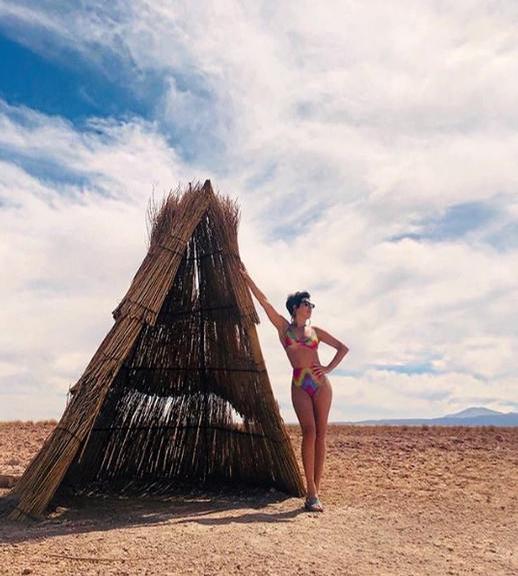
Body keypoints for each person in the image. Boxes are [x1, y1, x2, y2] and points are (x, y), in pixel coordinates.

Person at [238, 262, 349, 512]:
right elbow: (265, 303)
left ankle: (314, 493)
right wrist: (247, 278)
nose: (310, 308)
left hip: (321, 384)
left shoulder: (316, 331)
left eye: (312, 305)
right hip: (300, 382)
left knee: (321, 434)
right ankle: (310, 490)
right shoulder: (284, 329)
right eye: (307, 304)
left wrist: (328, 368)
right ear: (296, 308)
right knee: (308, 432)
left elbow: (343, 348)